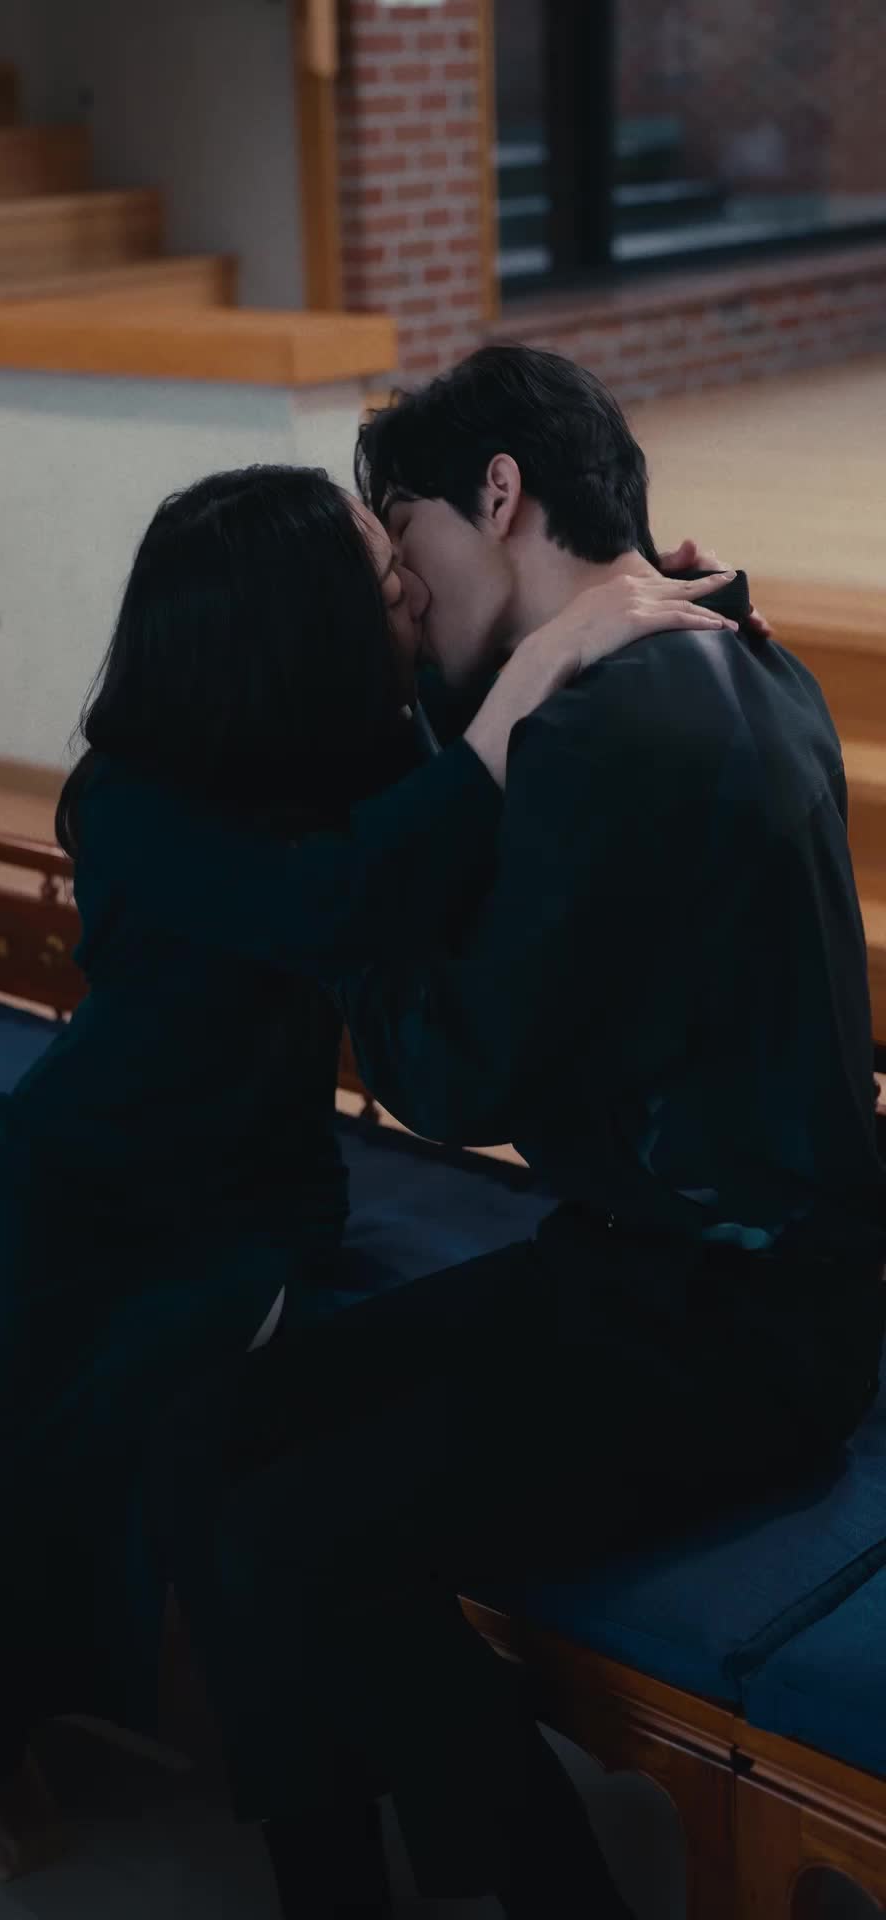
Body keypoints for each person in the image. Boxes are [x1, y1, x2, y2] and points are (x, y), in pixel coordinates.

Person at [0, 464, 734, 1882]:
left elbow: (441, 810)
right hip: (68, 1194)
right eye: (377, 575)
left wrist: (609, 594)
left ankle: (23, 1735)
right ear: (285, 626)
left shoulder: (337, 753)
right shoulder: (133, 800)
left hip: (245, 1212)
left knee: (135, 1453)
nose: (405, 585)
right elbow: (338, 898)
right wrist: (537, 666)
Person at [160, 351, 886, 1919]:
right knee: (225, 1425)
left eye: (403, 534)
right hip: (668, 1273)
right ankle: (338, 1885)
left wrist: (351, 806)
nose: (404, 591)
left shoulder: (611, 729)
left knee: (295, 1535)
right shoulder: (733, 649)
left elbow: (447, 1076)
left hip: (733, 1329)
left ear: (497, 496)